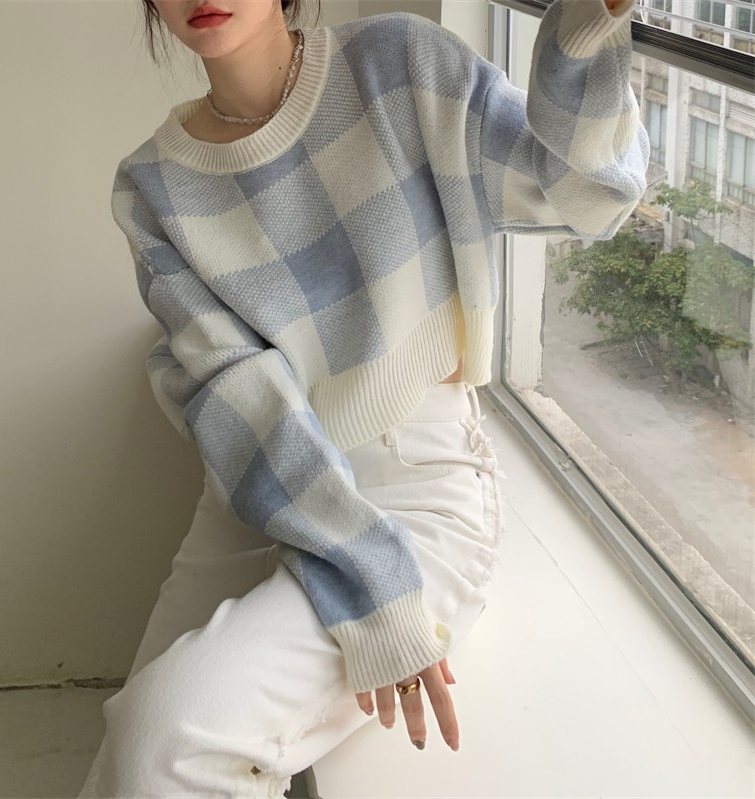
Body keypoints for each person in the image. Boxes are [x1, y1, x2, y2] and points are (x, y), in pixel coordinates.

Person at [77, 0, 648, 796]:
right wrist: (364, 574)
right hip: (261, 494)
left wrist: (587, 27)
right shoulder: (152, 188)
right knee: (132, 754)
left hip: (414, 484)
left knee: (164, 736)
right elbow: (234, 394)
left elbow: (587, 194)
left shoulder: (400, 65)